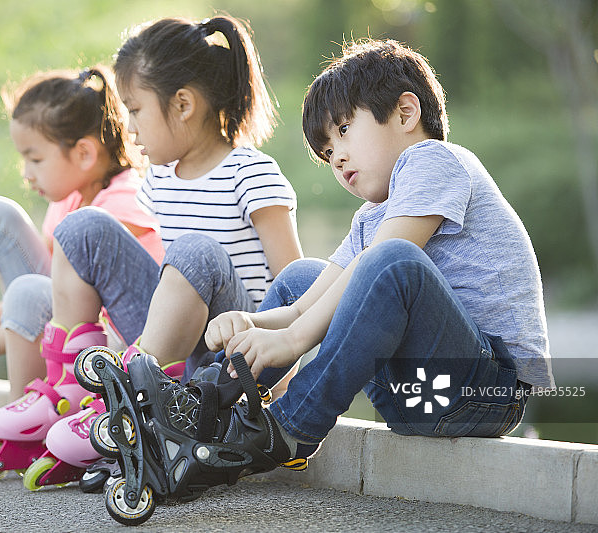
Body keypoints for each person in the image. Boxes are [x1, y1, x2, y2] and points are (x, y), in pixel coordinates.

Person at [100, 38, 556, 512]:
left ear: (404, 113)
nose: (336, 157)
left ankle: (290, 428)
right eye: (326, 150)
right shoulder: (373, 217)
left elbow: (384, 264)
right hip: (416, 395)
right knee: (301, 275)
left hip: (484, 390)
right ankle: (202, 408)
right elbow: (302, 306)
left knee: (390, 262)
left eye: (343, 130)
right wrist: (251, 324)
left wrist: (295, 341)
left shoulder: (437, 161)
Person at [29, 14, 303, 481]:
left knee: (195, 251)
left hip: (235, 355)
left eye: (135, 110)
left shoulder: (251, 175)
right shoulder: (158, 179)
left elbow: (298, 292)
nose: (128, 128)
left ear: (182, 105)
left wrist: (280, 389)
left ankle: (132, 403)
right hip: (176, 346)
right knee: (81, 228)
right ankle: (81, 392)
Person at [0, 66, 163, 471]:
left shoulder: (122, 206)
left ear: (85, 154)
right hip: (69, 340)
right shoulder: (67, 202)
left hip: (118, 346)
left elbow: (73, 314)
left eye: (34, 158)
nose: (26, 172)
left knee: (26, 289)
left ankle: (19, 432)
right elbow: (34, 300)